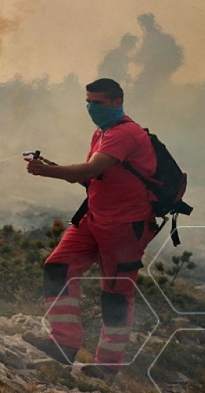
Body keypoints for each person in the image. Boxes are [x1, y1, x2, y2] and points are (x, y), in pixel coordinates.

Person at [22, 78, 157, 379]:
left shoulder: (124, 133)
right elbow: (95, 178)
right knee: (58, 267)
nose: (91, 108)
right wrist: (54, 166)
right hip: (94, 218)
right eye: (88, 102)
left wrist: (47, 172)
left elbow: (92, 169)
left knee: (115, 293)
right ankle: (63, 343)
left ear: (115, 102)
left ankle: (108, 367)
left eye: (97, 102)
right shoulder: (102, 131)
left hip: (125, 227)